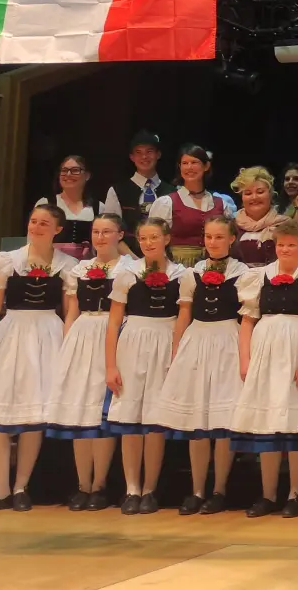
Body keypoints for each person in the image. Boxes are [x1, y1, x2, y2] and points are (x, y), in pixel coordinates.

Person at [0, 204, 79, 513]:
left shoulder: (67, 265)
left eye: (44, 223)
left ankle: (21, 486)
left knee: (33, 414)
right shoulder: (7, 261)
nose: (36, 227)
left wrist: (67, 348)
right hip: (12, 332)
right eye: (33, 221)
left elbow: (69, 313)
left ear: (57, 230)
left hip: (47, 335)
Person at [230, 220, 298, 517]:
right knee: (268, 423)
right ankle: (267, 494)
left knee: (296, 421)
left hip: (296, 345)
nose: (284, 249)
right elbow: (247, 321)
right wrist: (245, 359)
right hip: (265, 349)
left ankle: (295, 493)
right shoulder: (259, 276)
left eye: (291, 245)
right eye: (280, 244)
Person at [150, 214, 249, 516]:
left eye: (219, 237)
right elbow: (184, 315)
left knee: (220, 420)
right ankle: (196, 489)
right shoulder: (192, 274)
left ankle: (219, 489)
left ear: (232, 239)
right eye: (208, 237)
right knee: (197, 421)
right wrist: (176, 350)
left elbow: (247, 319)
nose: (213, 242)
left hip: (227, 341)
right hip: (198, 339)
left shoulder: (243, 273)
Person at [105, 219, 191, 514]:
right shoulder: (127, 273)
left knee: (154, 420)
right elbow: (114, 320)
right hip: (132, 342)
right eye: (143, 238)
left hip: (165, 340)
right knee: (130, 418)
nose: (149, 243)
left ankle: (150, 489)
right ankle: (131, 488)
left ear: (167, 238)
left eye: (154, 237)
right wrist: (110, 365)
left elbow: (183, 318)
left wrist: (176, 355)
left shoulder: (182, 275)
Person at [46, 214, 126, 512]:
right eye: (96, 232)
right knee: (80, 413)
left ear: (120, 235)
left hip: (111, 335)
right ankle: (83, 484)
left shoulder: (127, 269)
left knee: (100, 413)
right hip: (83, 335)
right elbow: (71, 312)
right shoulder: (80, 270)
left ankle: (100, 485)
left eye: (107, 232)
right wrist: (67, 344)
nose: (101, 237)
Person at [147, 144, 235, 266]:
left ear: (206, 166)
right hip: (179, 266)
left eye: (194, 162)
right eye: (185, 163)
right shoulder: (167, 203)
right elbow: (153, 239)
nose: (189, 167)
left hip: (214, 265)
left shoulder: (220, 202)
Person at [104, 130, 169, 256]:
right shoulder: (117, 191)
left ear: (158, 154)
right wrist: (134, 262)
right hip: (127, 259)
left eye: (149, 152)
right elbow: (111, 231)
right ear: (131, 157)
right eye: (138, 152)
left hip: (165, 259)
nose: (144, 157)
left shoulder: (172, 192)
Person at [36, 154, 103, 261]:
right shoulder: (46, 204)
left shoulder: (99, 207)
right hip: (51, 264)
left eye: (75, 170)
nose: (68, 174)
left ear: (87, 175)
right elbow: (34, 237)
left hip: (86, 268)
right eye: (64, 170)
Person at [231, 166, 286, 267]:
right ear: (242, 198)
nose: (254, 197)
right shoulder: (231, 226)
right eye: (248, 193)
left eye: (260, 192)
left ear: (270, 194)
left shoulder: (285, 226)